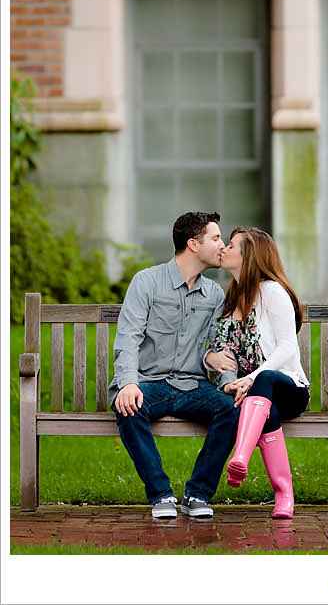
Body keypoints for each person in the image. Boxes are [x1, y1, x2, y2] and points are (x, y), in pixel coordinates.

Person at [111, 211, 238, 518]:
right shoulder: (146, 282)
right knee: (127, 406)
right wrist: (128, 383)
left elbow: (218, 349)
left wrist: (228, 382)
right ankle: (160, 495)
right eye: (216, 238)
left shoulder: (214, 294)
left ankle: (197, 494)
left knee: (233, 408)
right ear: (193, 244)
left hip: (192, 386)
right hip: (148, 383)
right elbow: (128, 338)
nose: (222, 245)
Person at [204, 227, 310, 519]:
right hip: (256, 398)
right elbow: (224, 352)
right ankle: (284, 497)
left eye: (232, 245)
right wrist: (228, 380)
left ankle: (240, 456)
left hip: (288, 388)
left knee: (264, 380)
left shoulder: (273, 292)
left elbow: (288, 346)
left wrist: (252, 377)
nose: (223, 249)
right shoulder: (232, 297)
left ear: (249, 256)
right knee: (266, 413)